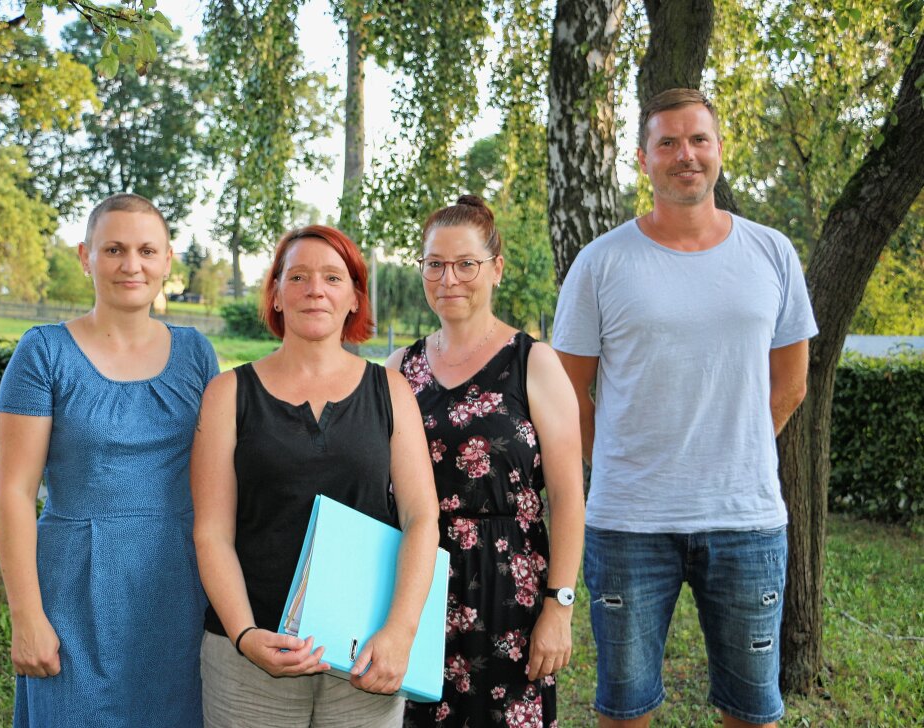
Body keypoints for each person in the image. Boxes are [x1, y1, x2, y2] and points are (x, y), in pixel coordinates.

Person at [553, 88, 818, 728]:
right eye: (667, 142)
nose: (685, 155)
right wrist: (621, 460)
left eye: (698, 139)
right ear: (643, 159)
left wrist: (739, 450)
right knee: (625, 708)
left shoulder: (773, 253)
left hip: (747, 520)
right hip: (628, 524)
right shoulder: (602, 263)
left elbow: (792, 383)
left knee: (753, 712)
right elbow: (566, 396)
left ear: (720, 151)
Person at [191, 225, 440, 727]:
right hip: (250, 661)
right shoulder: (227, 394)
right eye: (298, 276)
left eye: (333, 276)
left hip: (363, 653)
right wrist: (243, 635)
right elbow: (211, 532)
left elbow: (422, 518)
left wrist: (400, 631)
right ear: (277, 294)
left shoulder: (390, 391)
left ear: (354, 297)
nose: (315, 289)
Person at [0, 193, 219, 727]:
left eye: (147, 250)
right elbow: (14, 493)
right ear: (84, 256)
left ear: (167, 260)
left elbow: (221, 481)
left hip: (178, 588)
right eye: (113, 248)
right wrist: (25, 615)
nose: (131, 265)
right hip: (73, 589)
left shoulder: (196, 354)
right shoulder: (43, 352)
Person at [386, 195, 586, 728]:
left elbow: (567, 497)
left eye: (466, 264)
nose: (448, 277)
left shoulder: (532, 364)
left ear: (496, 269)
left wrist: (559, 607)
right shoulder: (398, 369)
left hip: (511, 595)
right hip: (417, 590)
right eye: (435, 264)